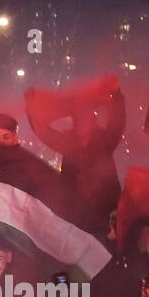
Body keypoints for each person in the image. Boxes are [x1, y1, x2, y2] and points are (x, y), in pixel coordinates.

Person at [26, 77, 126, 233]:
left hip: (107, 209)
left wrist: (116, 95)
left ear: (94, 120)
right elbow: (43, 132)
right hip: (76, 212)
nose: (84, 121)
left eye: (87, 117)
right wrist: (31, 107)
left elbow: (117, 122)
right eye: (79, 117)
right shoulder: (67, 143)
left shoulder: (105, 140)